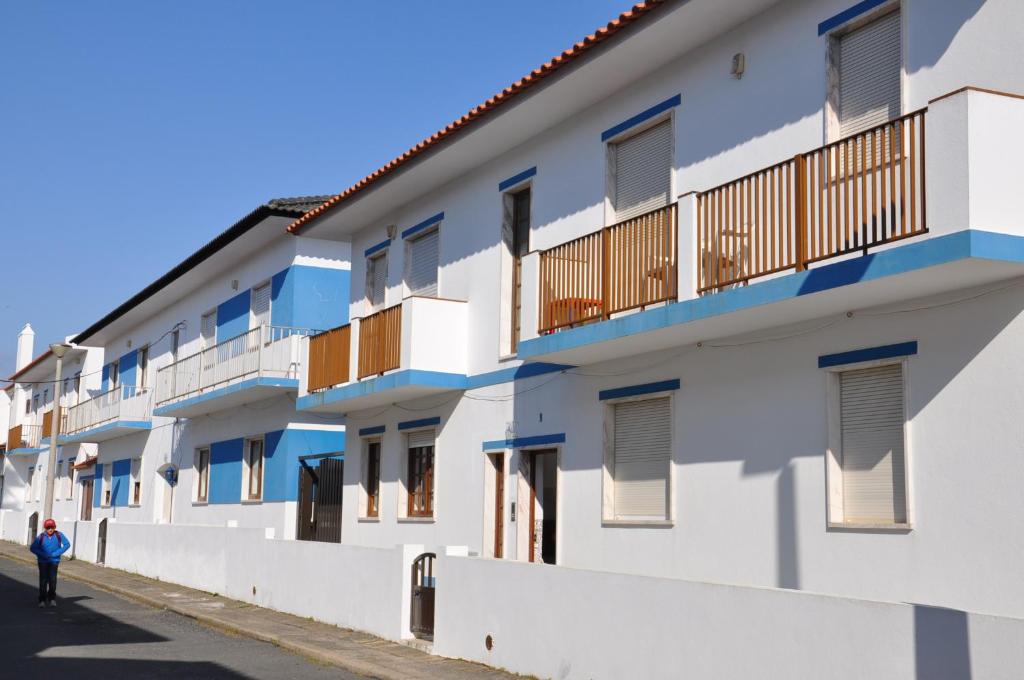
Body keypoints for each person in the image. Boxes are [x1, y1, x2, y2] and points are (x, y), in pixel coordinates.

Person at [29, 518, 71, 607]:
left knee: (53, 580)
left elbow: (67, 544)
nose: (50, 529)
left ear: (54, 527)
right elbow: (33, 548)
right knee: (43, 581)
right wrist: (43, 554)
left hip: (54, 561)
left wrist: (56, 554)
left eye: (52, 527)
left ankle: (52, 599)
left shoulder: (59, 535)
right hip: (42, 562)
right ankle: (42, 600)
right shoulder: (41, 537)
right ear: (45, 528)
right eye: (48, 527)